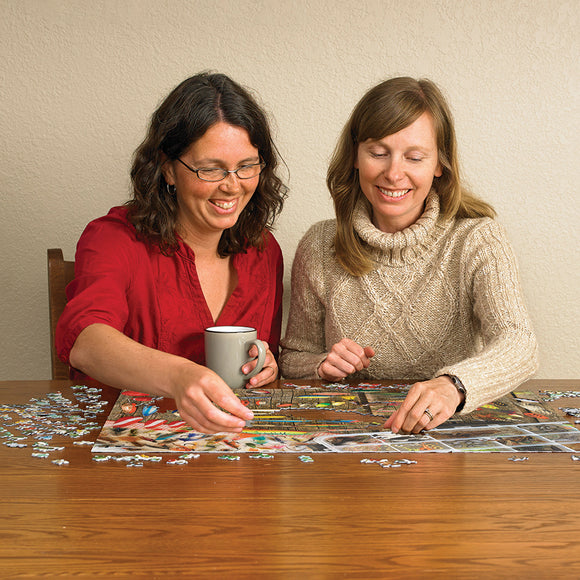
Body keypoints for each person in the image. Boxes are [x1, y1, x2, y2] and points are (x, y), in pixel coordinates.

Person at [280, 76, 538, 434]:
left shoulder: (478, 238)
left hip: (448, 437)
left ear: (439, 164)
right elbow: (292, 359)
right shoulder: (319, 244)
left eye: (414, 157)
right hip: (352, 440)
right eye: (378, 153)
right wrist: (323, 365)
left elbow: (519, 343)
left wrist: (453, 386)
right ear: (356, 156)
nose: (393, 173)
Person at [56, 72, 287, 434]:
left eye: (246, 166)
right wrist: (181, 377)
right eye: (209, 169)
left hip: (232, 456)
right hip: (126, 458)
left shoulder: (264, 251)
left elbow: (262, 359)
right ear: (167, 168)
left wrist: (268, 365)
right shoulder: (113, 239)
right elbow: (86, 342)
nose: (232, 185)